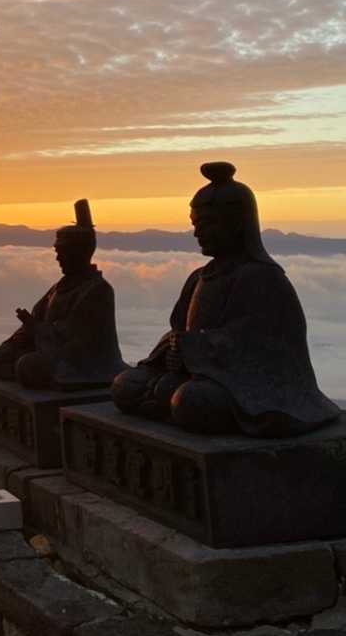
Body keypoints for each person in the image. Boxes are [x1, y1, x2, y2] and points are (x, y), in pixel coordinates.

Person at [112, 162, 339, 436]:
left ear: (237, 224)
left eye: (207, 224)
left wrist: (192, 347)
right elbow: (178, 330)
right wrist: (172, 350)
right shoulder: (199, 277)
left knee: (192, 401)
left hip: (250, 385)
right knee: (126, 385)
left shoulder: (262, 278)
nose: (197, 233)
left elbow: (262, 345)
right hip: (200, 373)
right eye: (195, 225)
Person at [0, 200, 126, 390]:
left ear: (78, 253)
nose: (57, 258)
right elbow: (38, 317)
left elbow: (78, 341)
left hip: (84, 364)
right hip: (48, 348)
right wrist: (23, 335)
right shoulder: (59, 287)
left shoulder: (97, 290)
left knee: (28, 366)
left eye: (62, 252)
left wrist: (36, 329)